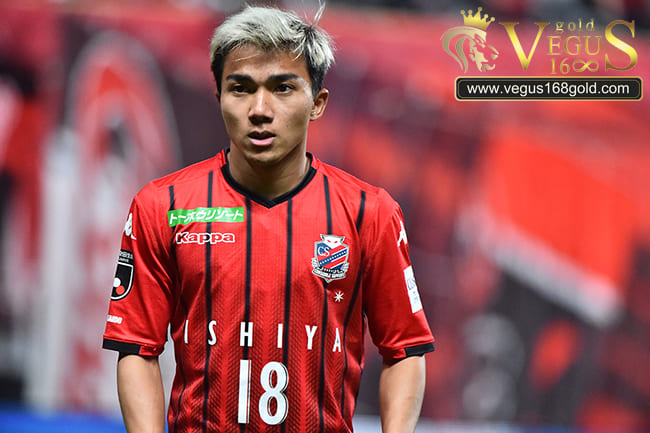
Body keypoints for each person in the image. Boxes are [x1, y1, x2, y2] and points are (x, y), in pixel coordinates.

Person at [102, 5, 434, 432]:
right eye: (241, 88)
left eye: (282, 88)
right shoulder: (161, 206)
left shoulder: (370, 212)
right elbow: (137, 348)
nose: (260, 109)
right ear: (219, 97)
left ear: (317, 103)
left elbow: (404, 351)